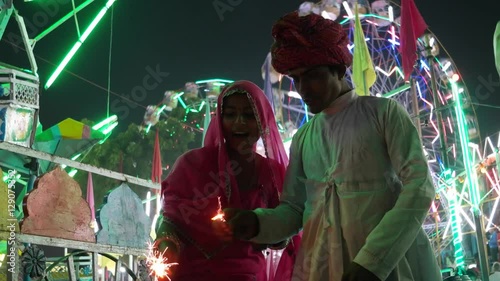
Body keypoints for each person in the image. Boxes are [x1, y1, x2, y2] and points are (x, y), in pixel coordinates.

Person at [220, 11, 442, 281]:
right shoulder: (304, 138)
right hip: (321, 268)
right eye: (296, 79)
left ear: (338, 69)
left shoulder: (384, 113)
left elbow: (419, 188)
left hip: (389, 267)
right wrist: (257, 222)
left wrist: (373, 261)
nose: (303, 89)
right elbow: (295, 209)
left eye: (312, 76)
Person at [154, 80, 299, 281]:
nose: (239, 122)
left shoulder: (271, 172)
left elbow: (284, 233)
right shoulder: (190, 164)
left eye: (249, 115)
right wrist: (166, 246)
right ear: (219, 120)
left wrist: (254, 227)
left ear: (263, 120)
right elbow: (167, 221)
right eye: (230, 114)